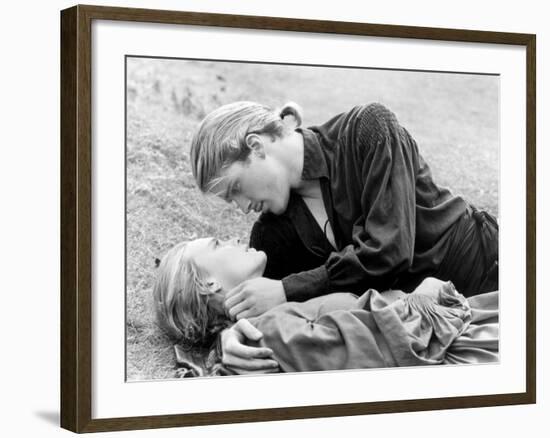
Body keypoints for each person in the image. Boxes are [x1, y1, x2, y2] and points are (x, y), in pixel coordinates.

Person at [189, 101, 499, 371]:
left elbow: (389, 251)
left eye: (237, 189)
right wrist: (227, 338)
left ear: (256, 147)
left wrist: (288, 288)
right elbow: (262, 311)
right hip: (440, 333)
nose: (243, 208)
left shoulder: (368, 131)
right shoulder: (272, 236)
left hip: (490, 271)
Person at [153, 237, 499, 375]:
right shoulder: (268, 334)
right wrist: (423, 298)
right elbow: (379, 351)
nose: (234, 239)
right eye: (218, 244)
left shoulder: (272, 316)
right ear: (207, 284)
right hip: (463, 348)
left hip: (460, 332)